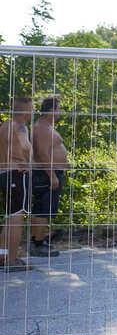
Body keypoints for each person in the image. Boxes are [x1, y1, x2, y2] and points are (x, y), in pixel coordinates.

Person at [0, 97, 34, 271]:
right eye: (31, 109)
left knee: (10, 216)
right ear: (24, 111)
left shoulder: (4, 126)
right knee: (17, 217)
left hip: (5, 174)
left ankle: (2, 256)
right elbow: (26, 146)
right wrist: (29, 163)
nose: (33, 112)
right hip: (17, 175)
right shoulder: (20, 126)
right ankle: (11, 261)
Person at [30, 97, 66, 257]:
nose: (60, 112)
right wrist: (51, 175)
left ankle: (40, 240)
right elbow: (42, 154)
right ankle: (37, 245)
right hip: (45, 174)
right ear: (51, 110)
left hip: (50, 172)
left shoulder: (46, 126)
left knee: (46, 209)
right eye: (58, 109)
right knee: (42, 209)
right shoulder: (42, 128)